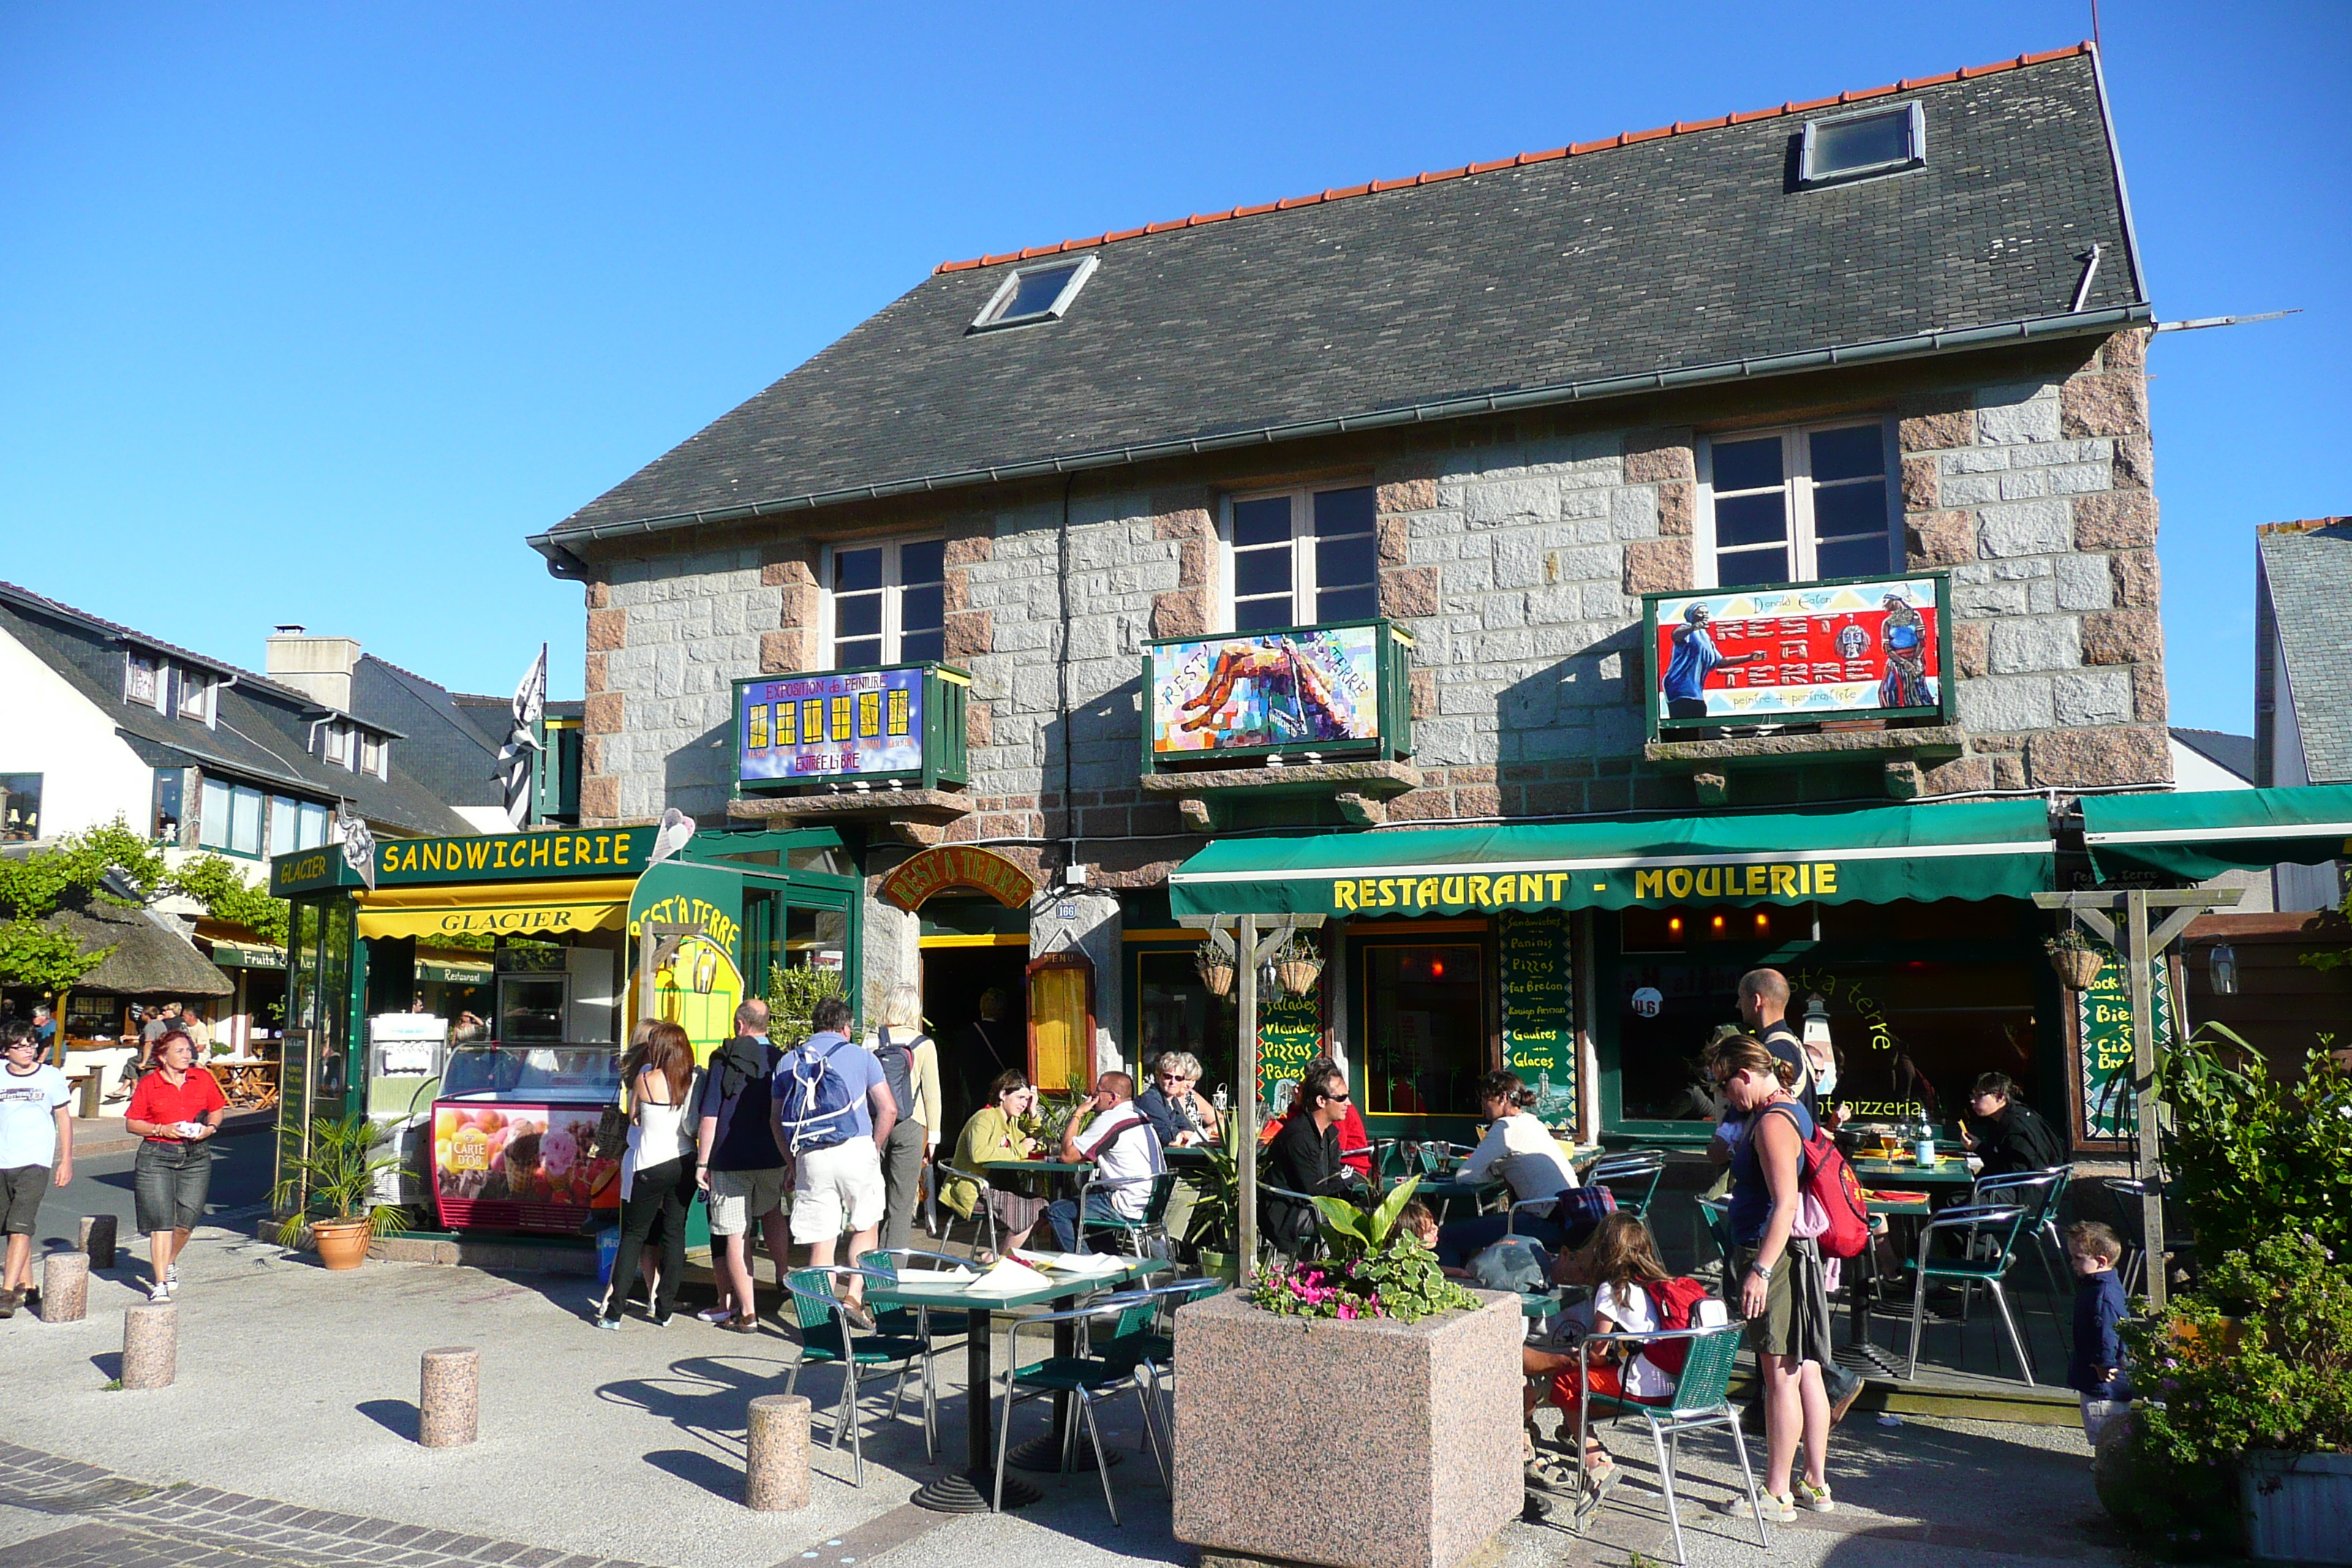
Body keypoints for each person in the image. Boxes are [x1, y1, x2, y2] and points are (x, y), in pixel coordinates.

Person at [1709, 1032, 1833, 1522]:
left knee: (1778, 1374)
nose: (1723, 1096)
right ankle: (1815, 1483)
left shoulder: (1771, 1124)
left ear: (1744, 1074)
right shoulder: (1788, 1110)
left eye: (1724, 1084)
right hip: (1791, 1254)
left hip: (1774, 1256)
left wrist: (1759, 1270)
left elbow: (1784, 1203)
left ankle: (1776, 1492)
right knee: (1805, 1371)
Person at [1520, 1213, 1683, 1483]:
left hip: (1642, 1387)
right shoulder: (1655, 1284)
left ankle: (1595, 1463)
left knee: (1568, 1383)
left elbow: (1596, 1354)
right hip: (1675, 1385)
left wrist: (1578, 1357)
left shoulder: (1612, 1289)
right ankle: (1574, 1433)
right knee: (1582, 1382)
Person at [772, 995, 894, 1329]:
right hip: (856, 1148)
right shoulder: (862, 1057)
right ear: (845, 1027)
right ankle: (853, 1297)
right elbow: (889, 1108)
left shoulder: (788, 1062)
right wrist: (874, 1146)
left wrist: (793, 1163)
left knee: (821, 1240)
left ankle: (821, 1325)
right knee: (866, 1224)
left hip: (810, 1154)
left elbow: (776, 1120)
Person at [597, 1019, 700, 1329]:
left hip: (648, 1164)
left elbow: (635, 1115)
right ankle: (665, 1308)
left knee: (633, 1236)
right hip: (682, 1161)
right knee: (674, 1233)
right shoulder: (693, 1079)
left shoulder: (644, 1077)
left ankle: (615, 1312)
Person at [696, 998, 788, 1332]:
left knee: (737, 1234)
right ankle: (782, 1273)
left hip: (729, 1158)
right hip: (772, 1154)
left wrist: (702, 1162)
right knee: (773, 1210)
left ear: (739, 1024)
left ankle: (748, 1313)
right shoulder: (781, 1059)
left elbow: (710, 1115)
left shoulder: (724, 1059)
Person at [1434, 1070, 1581, 1269]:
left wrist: (1494, 1170)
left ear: (1503, 1097)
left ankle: (1453, 1288)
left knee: (1446, 1236)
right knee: (1473, 1231)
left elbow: (1464, 1176)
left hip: (1545, 1223)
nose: (1483, 1104)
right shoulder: (1533, 1122)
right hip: (1570, 1219)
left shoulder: (1505, 1127)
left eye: (1486, 1097)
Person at [123, 1028, 225, 1302]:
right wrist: (161, 1128)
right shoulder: (149, 1083)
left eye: (188, 1050)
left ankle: (168, 1261)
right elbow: (132, 1123)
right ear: (163, 1056)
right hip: (157, 1154)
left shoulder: (201, 1078)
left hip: (196, 1155)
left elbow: (217, 1108)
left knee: (186, 1222)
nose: (186, 1055)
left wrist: (210, 1129)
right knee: (161, 1222)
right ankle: (159, 1283)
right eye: (179, 1051)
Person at [1044, 1071, 1164, 1254]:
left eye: (1098, 1092)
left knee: (1057, 1211)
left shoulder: (1111, 1119)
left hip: (1127, 1203)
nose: (1093, 1097)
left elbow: (1068, 1155)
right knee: (1091, 1213)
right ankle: (1121, 1280)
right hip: (1151, 1204)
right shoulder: (1140, 1115)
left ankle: (1087, 1269)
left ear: (1112, 1097)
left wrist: (1078, 1114)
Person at [0, 1024, 73, 1318]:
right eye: (20, 1045)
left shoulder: (51, 1076)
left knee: (21, 1224)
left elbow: (64, 1119)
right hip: (3, 1160)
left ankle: (6, 1293)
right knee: (10, 1225)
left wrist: (66, 1160)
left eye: (31, 1043)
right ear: (6, 1051)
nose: (28, 1049)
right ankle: (28, 1285)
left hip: (35, 1161)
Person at [864, 985, 943, 1253]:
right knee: (901, 1204)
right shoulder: (924, 1044)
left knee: (877, 1200)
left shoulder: (870, 1041)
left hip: (877, 1125)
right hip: (911, 1126)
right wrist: (933, 1138)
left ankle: (870, 1263)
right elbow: (932, 1095)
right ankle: (891, 1277)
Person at [943, 1068, 1048, 1256]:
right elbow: (978, 1153)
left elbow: (1037, 1144)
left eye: (1027, 1099)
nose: (1024, 1104)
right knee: (1029, 1210)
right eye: (1020, 1098)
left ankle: (995, 1256)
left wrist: (1033, 1113)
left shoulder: (1010, 1123)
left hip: (998, 1187)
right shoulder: (984, 1118)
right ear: (1002, 1095)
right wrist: (1019, 1149)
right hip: (975, 1190)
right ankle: (1000, 1260)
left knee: (1045, 1207)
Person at [1264, 1062, 1364, 1250]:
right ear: (1321, 1101)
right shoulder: (1300, 1137)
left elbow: (1332, 1179)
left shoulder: (1329, 1133)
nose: (1348, 1103)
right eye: (1342, 1098)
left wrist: (1346, 1183)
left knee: (1373, 1213)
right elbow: (1317, 1191)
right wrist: (1346, 1179)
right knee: (1364, 1219)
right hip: (1289, 1215)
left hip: (1310, 1205)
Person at [2064, 1221, 2133, 1443]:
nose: (2072, 1262)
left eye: (2078, 1258)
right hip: (2095, 1372)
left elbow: (2108, 1334)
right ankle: (2109, 1457)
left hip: (2103, 1378)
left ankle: (2110, 1463)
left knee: (2105, 1425)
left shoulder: (2103, 1294)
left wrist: (2105, 1364)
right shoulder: (2097, 1285)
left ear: (2101, 1261)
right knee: (2102, 1421)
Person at [1661, 602, 1765, 720]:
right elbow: (1676, 635)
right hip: (1679, 687)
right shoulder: (1686, 628)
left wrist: (1750, 658)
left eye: (1706, 613)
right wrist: (1693, 627)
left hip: (1695, 691)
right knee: (1686, 723)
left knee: (1699, 717)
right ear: (1691, 615)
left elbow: (1719, 661)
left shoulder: (1705, 637)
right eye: (1700, 613)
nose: (1704, 615)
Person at [1961, 1072, 2067, 1177]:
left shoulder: (2015, 1127)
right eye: (1973, 1095)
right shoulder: (2016, 1114)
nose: (1972, 1101)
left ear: (1999, 1097)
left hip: (2022, 1189)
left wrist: (1979, 1149)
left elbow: (2011, 1172)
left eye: (1979, 1095)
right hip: (2023, 1187)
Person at [1137, 1052, 1221, 1147]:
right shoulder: (1150, 1100)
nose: (1173, 1082)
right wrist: (1181, 1134)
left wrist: (1183, 1134)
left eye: (1178, 1078)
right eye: (1168, 1077)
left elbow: (1190, 1129)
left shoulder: (1172, 1100)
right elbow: (1171, 1139)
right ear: (1159, 1077)